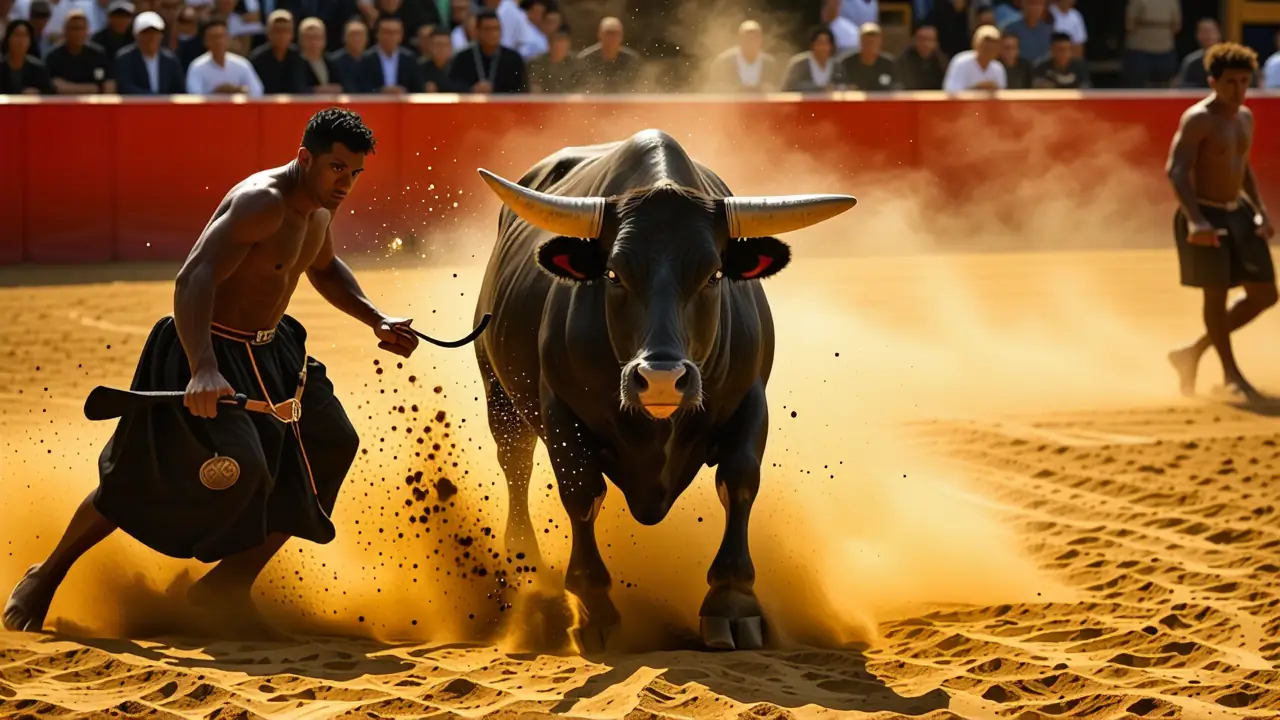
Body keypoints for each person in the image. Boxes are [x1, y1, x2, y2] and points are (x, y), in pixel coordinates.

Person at [2, 108, 423, 636]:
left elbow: (322, 266)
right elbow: (192, 279)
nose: (347, 183)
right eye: (338, 168)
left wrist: (375, 317)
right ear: (304, 158)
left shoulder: (319, 206)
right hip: (203, 350)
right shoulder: (260, 203)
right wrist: (201, 367)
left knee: (332, 441)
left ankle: (226, 584)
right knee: (152, 472)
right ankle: (48, 572)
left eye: (355, 173)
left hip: (275, 353)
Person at [1166, 43, 1276, 402]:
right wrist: (1196, 220)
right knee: (1216, 296)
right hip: (1205, 213)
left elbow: (1241, 168)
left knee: (1265, 293)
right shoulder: (1197, 118)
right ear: (1213, 82)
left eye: (1245, 81)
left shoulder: (1245, 117)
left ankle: (1192, 353)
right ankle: (1231, 374)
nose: (1238, 89)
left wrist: (1259, 211)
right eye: (1231, 82)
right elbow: (1177, 170)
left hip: (1238, 211)